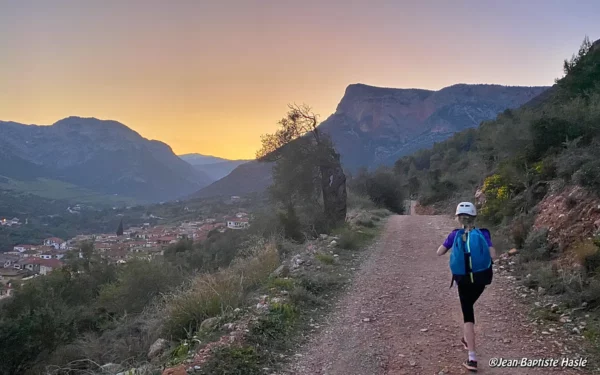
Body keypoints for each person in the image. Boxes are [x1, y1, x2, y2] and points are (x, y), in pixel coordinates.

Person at [436, 202, 496, 372]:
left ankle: (472, 358)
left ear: (458, 218)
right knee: (470, 305)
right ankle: (466, 339)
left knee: (468, 315)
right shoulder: (484, 233)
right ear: (474, 217)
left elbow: (439, 252)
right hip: (481, 280)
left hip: (463, 280)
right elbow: (493, 255)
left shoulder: (454, 234)